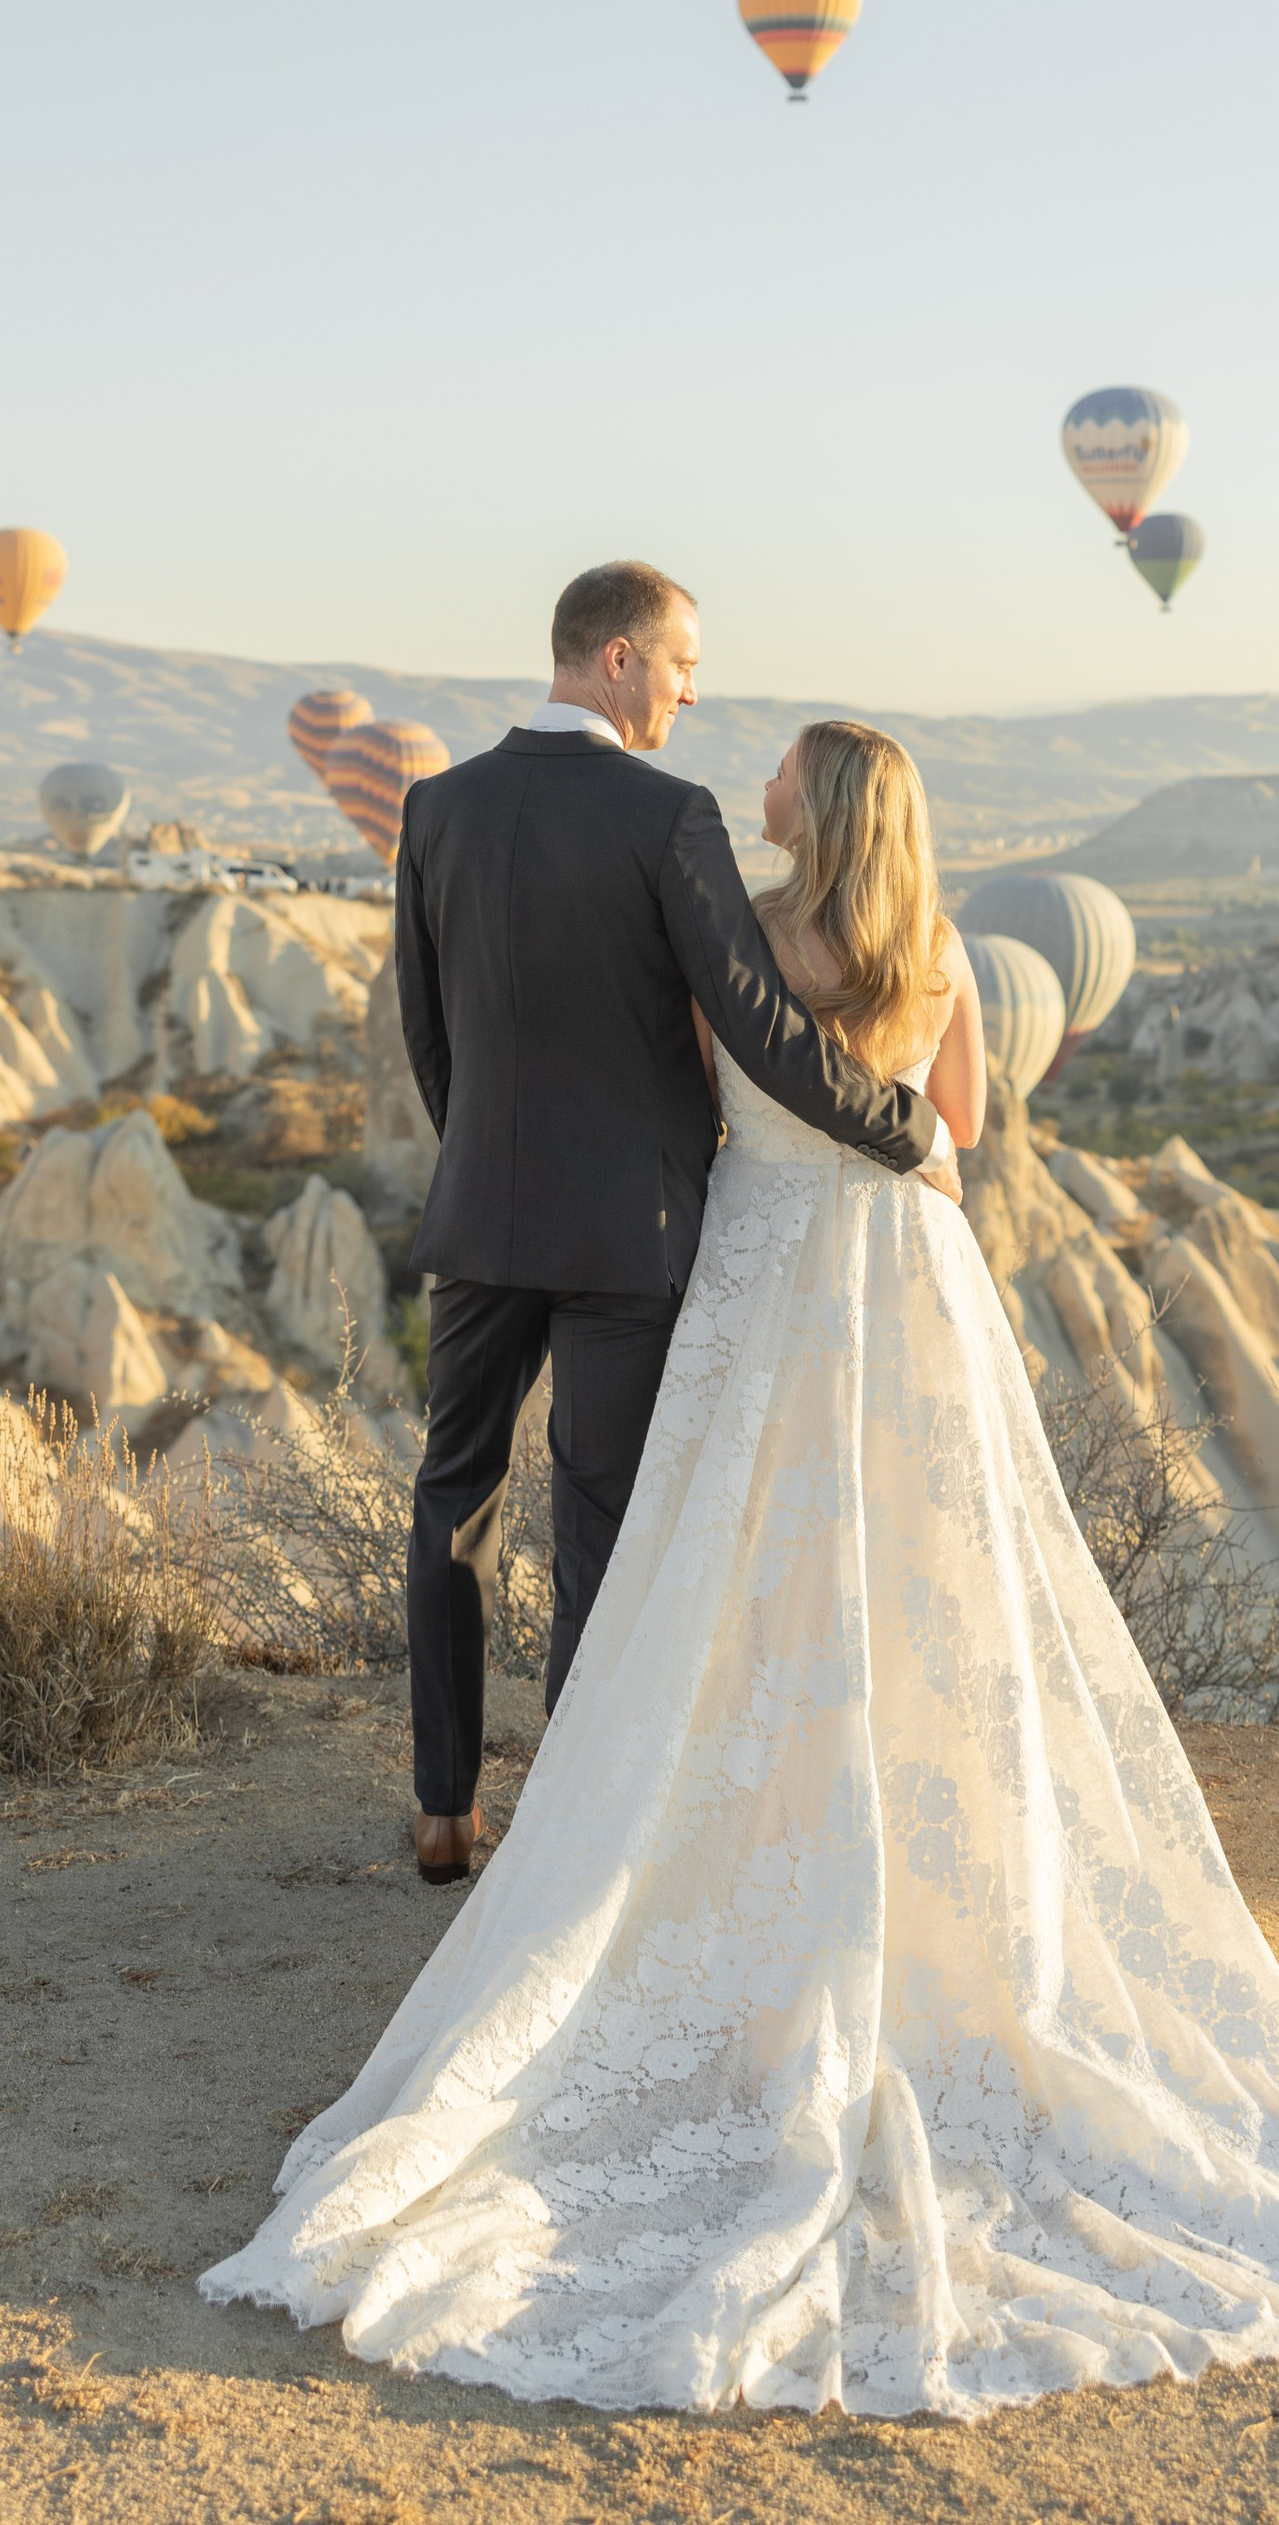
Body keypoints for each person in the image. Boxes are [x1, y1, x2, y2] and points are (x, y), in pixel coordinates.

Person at [203, 715, 1279, 2415]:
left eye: (784, 771)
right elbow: (962, 1122)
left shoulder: (749, 928)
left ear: (816, 804)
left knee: (725, 1570)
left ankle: (679, 1821)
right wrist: (902, 1133)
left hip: (757, 1263)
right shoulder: (940, 946)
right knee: (929, 1571)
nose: (757, 783)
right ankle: (906, 1840)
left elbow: (705, 1080)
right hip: (908, 1270)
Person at [381, 560, 948, 1887]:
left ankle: (444, 1809)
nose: (692, 694)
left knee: (454, 1495)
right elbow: (760, 1027)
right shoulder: (668, 814)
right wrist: (910, 1131)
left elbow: (429, 1029)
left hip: (481, 1217)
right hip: (626, 1232)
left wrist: (486, 1160)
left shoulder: (438, 805)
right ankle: (572, 1829)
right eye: (684, 665)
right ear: (620, 658)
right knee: (601, 1523)